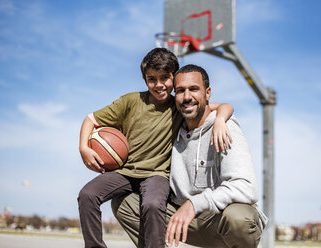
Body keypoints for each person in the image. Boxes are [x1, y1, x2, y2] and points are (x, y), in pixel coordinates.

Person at [78, 49, 234, 248]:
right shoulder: (130, 101)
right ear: (144, 80)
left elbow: (226, 106)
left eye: (165, 78)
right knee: (87, 195)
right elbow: (90, 119)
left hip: (157, 175)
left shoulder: (179, 105)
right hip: (125, 172)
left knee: (152, 205)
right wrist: (84, 148)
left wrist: (220, 120)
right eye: (152, 79)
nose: (159, 85)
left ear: (174, 78)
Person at [112, 64, 267, 248]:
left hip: (218, 221)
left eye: (194, 89)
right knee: (123, 202)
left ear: (207, 93)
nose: (187, 97)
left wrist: (194, 204)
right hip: (182, 220)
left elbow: (246, 187)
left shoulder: (224, 127)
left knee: (240, 218)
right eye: (180, 91)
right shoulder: (171, 127)